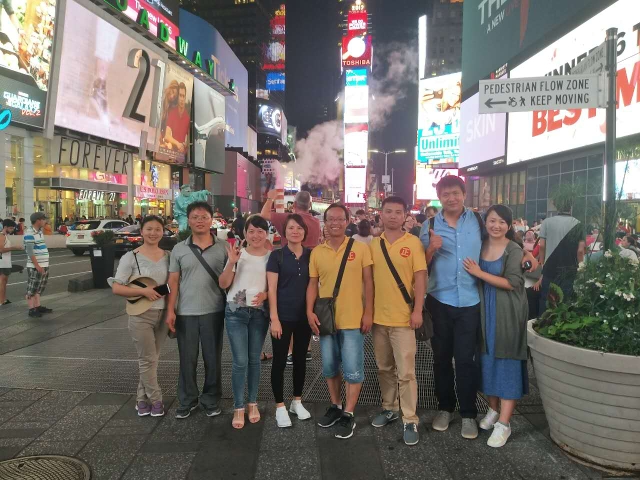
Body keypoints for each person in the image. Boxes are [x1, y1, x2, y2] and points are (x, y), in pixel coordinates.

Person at [419, 176, 535, 440]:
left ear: (464, 194)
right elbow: (419, 267)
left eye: (456, 193)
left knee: (466, 360)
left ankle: (468, 413)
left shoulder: (478, 220)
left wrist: (525, 254)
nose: (451, 198)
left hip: (471, 301)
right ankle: (445, 408)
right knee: (440, 359)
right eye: (445, 194)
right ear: (439, 196)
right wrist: (431, 250)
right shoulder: (429, 226)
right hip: (439, 300)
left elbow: (500, 238)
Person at [462, 205, 529, 448]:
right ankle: (492, 410)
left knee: (507, 362)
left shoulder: (513, 249)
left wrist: (479, 273)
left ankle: (504, 423)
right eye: (492, 220)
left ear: (509, 225)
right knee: (487, 360)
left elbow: (512, 283)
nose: (496, 226)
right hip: (484, 311)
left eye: (502, 222)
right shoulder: (480, 244)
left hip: (507, 312)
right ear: (485, 222)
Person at [307, 203, 374, 439]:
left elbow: (369, 282)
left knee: (353, 369)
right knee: (329, 366)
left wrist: (368, 312)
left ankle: (349, 412)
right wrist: (309, 312)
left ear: (347, 222)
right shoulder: (317, 252)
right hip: (327, 320)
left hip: (353, 319)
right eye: (331, 219)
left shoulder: (360, 248)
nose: (335, 223)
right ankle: (335, 405)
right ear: (325, 222)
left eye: (339, 219)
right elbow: (313, 284)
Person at [369, 197, 427, 446]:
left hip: (404, 319)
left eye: (398, 212)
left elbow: (420, 278)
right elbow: (368, 282)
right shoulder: (373, 244)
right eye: (388, 211)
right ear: (381, 214)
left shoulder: (413, 243)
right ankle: (390, 407)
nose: (393, 216)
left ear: (405, 216)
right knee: (384, 368)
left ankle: (410, 418)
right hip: (379, 319)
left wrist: (418, 310)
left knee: (406, 372)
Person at [166, 201, 227, 420]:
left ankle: (210, 399)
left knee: (213, 359)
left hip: (214, 311)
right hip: (186, 312)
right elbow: (173, 281)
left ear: (212, 220)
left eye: (204, 217)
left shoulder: (223, 247)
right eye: (195, 217)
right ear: (188, 221)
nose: (199, 221)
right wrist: (170, 310)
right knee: (187, 359)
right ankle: (187, 400)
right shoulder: (179, 249)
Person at [109, 216, 170, 417]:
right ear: (141, 231)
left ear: (163, 231)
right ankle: (156, 400)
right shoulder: (131, 257)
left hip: (163, 314)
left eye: (158, 229)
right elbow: (117, 287)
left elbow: (172, 286)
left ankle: (141, 400)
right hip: (140, 315)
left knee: (152, 359)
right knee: (147, 359)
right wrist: (144, 292)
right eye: (149, 229)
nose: (153, 233)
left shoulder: (169, 256)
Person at [219, 215, 271, 429]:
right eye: (251, 231)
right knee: (240, 361)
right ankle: (239, 406)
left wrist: (266, 295)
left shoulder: (272, 257)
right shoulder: (238, 255)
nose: (256, 235)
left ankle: (252, 403)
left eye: (260, 231)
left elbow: (275, 286)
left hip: (259, 313)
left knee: (254, 360)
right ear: (245, 233)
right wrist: (231, 262)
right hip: (235, 311)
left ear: (267, 234)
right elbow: (223, 283)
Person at [267, 214, 313, 427]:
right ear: (284, 232)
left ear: (305, 232)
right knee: (279, 361)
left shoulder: (311, 255)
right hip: (282, 317)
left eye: (299, 228)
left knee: (300, 360)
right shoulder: (277, 256)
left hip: (303, 317)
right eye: (291, 228)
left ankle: (297, 401)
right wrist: (274, 318)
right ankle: (279, 406)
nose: (295, 231)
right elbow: (272, 289)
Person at [536, 198, 586, 313]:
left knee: (546, 300)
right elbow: (580, 251)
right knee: (565, 302)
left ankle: (542, 321)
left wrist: (542, 263)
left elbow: (542, 246)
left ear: (557, 207)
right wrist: (581, 268)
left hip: (550, 267)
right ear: (571, 207)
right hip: (570, 269)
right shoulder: (578, 224)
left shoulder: (547, 222)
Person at [24, 213, 52, 318]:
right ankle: (31, 309)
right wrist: (37, 266)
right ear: (38, 220)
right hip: (35, 266)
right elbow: (30, 251)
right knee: (32, 288)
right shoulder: (29, 233)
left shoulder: (39, 232)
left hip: (43, 264)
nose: (45, 221)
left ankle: (37, 306)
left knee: (39, 287)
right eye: (44, 219)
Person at [164, 82, 190, 154]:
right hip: (171, 153)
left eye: (183, 96)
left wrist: (185, 145)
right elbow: (167, 136)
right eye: (180, 96)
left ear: (185, 97)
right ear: (177, 97)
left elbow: (189, 140)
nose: (182, 99)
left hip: (183, 155)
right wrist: (178, 144)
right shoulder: (172, 113)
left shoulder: (187, 118)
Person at [0, 219, 22, 305]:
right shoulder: (2, 236)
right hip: (2, 262)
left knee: (4, 282)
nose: (12, 230)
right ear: (5, 227)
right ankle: (1, 301)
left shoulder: (5, 236)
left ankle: (3, 299)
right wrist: (14, 248)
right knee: (2, 282)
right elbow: (1, 250)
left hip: (5, 262)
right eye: (11, 228)